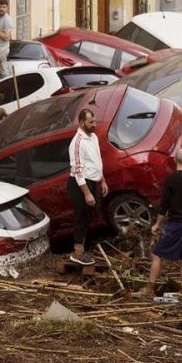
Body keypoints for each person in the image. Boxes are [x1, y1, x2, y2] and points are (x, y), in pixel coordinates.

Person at [144, 148, 182, 297]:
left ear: (175, 160)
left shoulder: (170, 181)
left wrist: (157, 224)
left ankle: (149, 289)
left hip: (174, 226)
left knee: (157, 255)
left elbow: (164, 206)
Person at [67, 109, 108, 266]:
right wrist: (87, 193)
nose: (94, 125)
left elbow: (97, 161)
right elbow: (77, 170)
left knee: (91, 216)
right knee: (81, 217)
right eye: (91, 122)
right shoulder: (77, 142)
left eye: (94, 121)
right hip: (80, 185)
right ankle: (77, 254)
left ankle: (85, 248)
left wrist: (102, 180)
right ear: (82, 122)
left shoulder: (93, 137)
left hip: (92, 182)